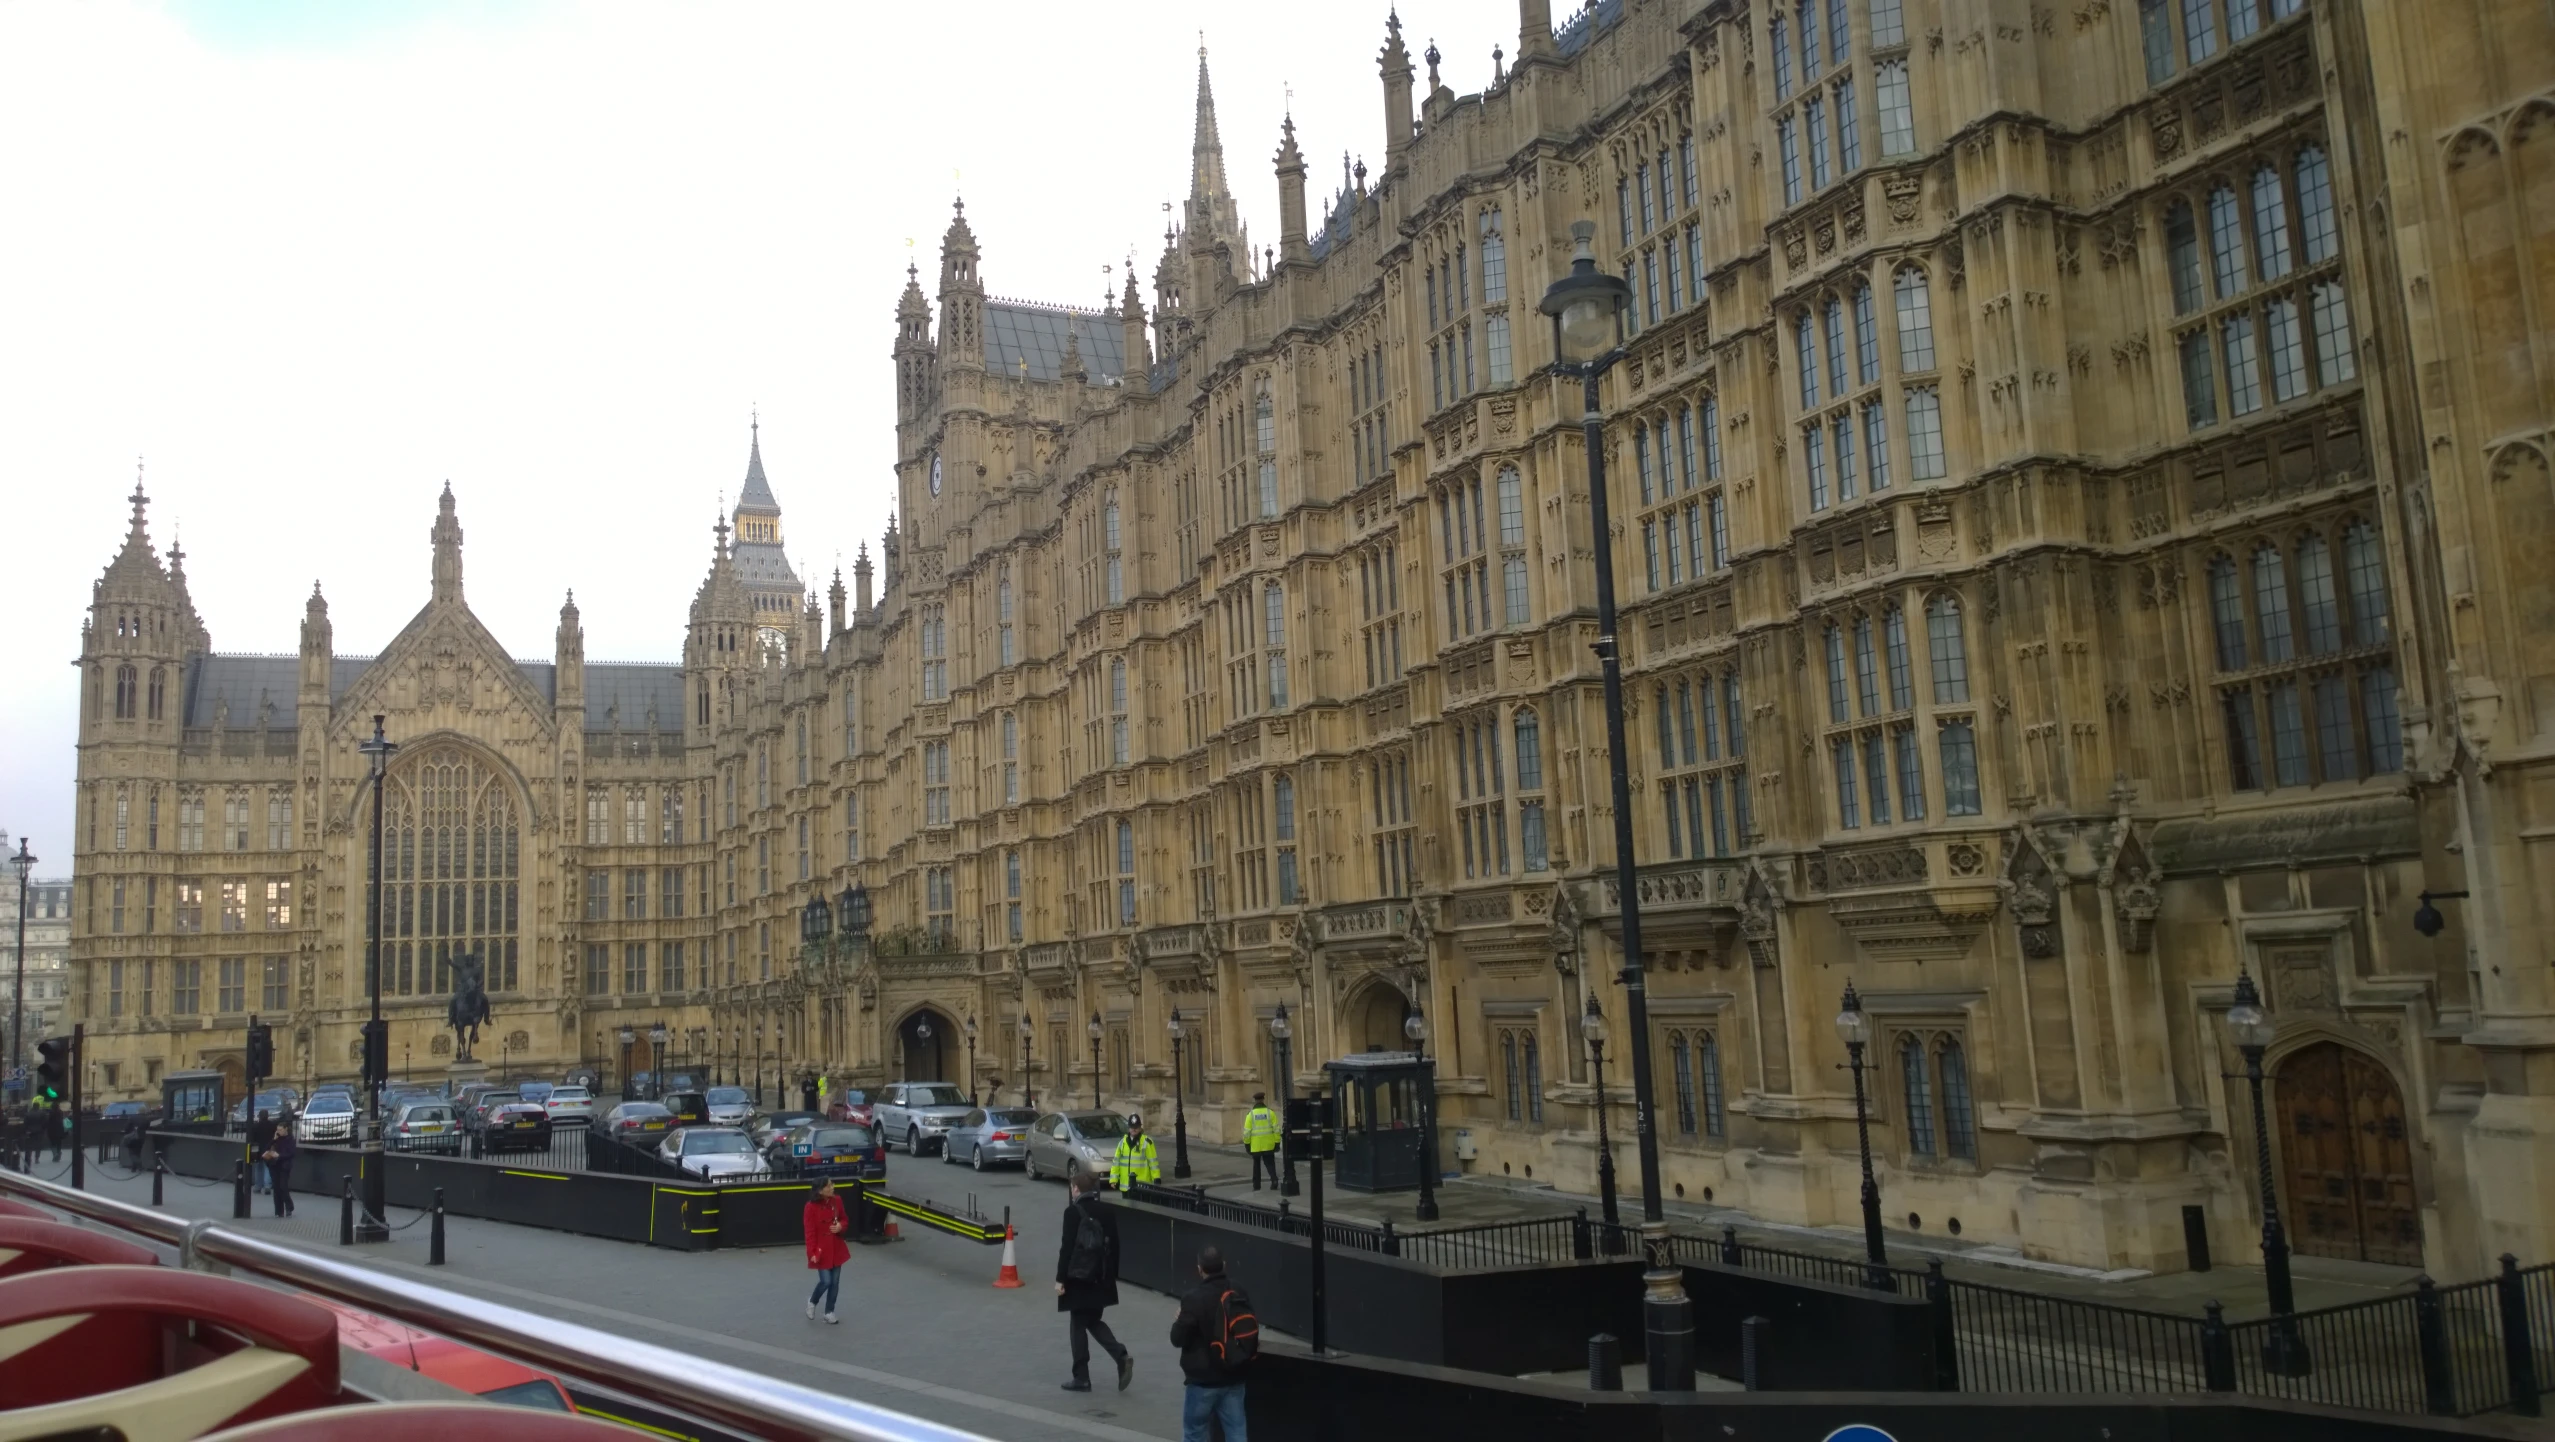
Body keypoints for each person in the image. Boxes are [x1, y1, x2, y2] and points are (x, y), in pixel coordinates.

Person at [1055, 1169, 1131, 1392]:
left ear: (1076, 1189)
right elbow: (1115, 1245)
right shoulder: (1107, 1211)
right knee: (1092, 1320)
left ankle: (1082, 1377)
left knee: (1078, 1322)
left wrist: (1061, 1279)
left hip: (1079, 1278)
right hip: (1101, 1278)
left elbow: (1067, 1248)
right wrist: (1112, 1276)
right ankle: (1121, 1355)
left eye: (1072, 1187)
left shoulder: (1072, 1213)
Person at [1169, 1245, 1251, 1442]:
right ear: (1224, 1265)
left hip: (1202, 1380)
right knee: (1237, 1431)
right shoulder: (1237, 1289)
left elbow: (1177, 1338)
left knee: (1195, 1433)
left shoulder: (1193, 1298)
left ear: (1199, 1269)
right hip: (1234, 1375)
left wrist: (1180, 1319)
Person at [803, 1176, 850, 1324]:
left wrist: (840, 1227)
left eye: (832, 1184)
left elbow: (844, 1219)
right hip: (821, 1250)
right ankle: (812, 1301)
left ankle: (829, 1312)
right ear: (820, 1190)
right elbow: (809, 1232)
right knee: (826, 1281)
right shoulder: (810, 1207)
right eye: (828, 1186)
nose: (832, 1187)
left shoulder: (837, 1201)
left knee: (835, 1282)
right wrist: (812, 1253)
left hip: (836, 1247)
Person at [1109, 1113, 1160, 1193]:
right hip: (1125, 1186)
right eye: (1132, 1127)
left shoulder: (1147, 1142)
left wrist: (1156, 1178)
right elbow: (1116, 1163)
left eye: (1136, 1127)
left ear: (1140, 1128)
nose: (1134, 1129)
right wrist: (1113, 1179)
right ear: (1129, 1128)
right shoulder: (1122, 1143)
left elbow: (1153, 1163)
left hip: (1142, 1186)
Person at [1242, 1093, 1280, 1191]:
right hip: (1268, 1144)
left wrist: (1247, 1144)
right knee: (1270, 1164)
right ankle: (1274, 1180)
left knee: (1256, 1166)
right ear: (1263, 1100)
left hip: (1256, 1146)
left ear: (1255, 1101)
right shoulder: (1270, 1113)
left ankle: (1256, 1185)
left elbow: (1247, 1133)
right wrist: (1277, 1143)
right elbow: (1276, 1129)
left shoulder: (1250, 1115)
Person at [265, 1113, 298, 1218]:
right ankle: (278, 1211)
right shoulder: (276, 1139)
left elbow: (291, 1153)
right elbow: (267, 1147)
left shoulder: (290, 1140)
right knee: (276, 1188)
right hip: (275, 1166)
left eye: (280, 1130)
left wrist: (279, 1155)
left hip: (284, 1165)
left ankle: (289, 1206)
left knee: (283, 1186)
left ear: (285, 1129)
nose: (278, 1132)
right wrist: (274, 1139)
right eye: (277, 1130)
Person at [248, 1110, 276, 1194]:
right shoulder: (272, 1125)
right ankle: (267, 1186)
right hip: (268, 1149)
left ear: (259, 1116)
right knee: (267, 1168)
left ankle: (258, 1186)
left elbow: (252, 1138)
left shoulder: (256, 1126)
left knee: (258, 1168)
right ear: (267, 1116)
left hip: (257, 1149)